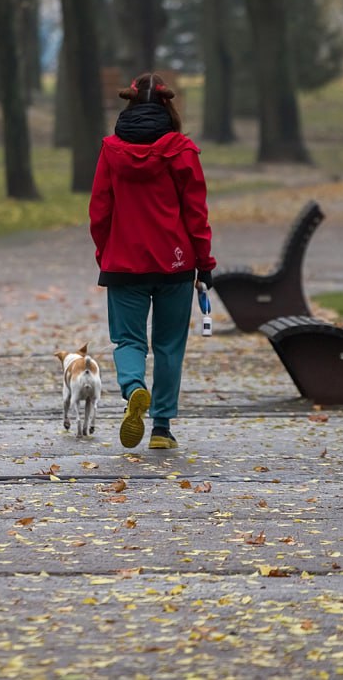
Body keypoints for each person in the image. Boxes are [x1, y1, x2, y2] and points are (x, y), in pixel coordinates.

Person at [89, 72, 216, 450]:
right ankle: (162, 428)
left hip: (124, 262)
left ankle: (133, 389)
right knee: (168, 344)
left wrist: (105, 253)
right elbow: (196, 212)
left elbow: (99, 211)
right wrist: (204, 261)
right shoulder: (182, 150)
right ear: (168, 106)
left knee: (127, 339)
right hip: (175, 264)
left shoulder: (111, 150)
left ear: (129, 104)